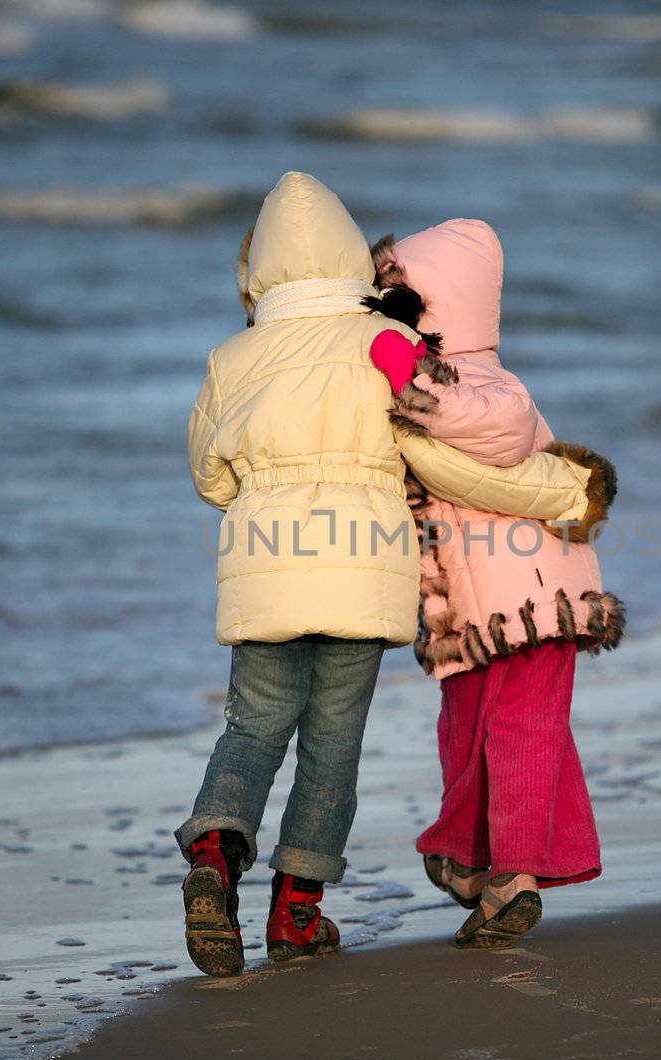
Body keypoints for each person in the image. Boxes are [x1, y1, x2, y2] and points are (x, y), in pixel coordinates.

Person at [179, 174, 608, 976]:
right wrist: (569, 487)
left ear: (259, 273)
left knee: (254, 724)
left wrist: (258, 499)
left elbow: (209, 473)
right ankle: (296, 914)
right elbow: (442, 456)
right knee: (332, 744)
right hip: (363, 577)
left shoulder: (231, 357)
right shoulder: (387, 352)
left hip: (263, 573)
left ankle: (215, 845)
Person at [366, 219, 626, 948]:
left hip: (533, 597)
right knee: (468, 727)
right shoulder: (449, 375)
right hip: (475, 604)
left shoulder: (484, 383)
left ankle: (512, 873)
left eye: (395, 294)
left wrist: (403, 375)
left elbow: (494, 431)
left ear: (437, 303)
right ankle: (473, 858)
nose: (385, 307)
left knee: (519, 728)